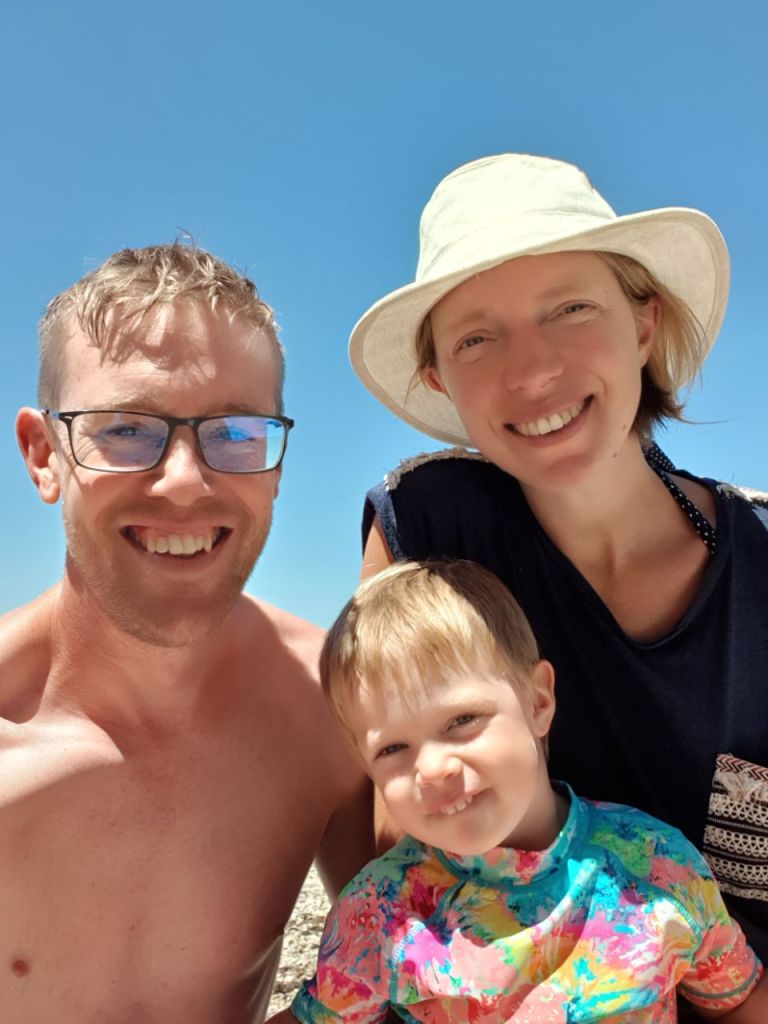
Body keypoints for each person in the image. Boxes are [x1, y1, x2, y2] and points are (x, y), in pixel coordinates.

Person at [349, 154, 768, 969]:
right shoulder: (432, 529)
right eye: (476, 338)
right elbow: (404, 851)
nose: (534, 371)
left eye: (571, 308)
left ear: (643, 325)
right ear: (439, 378)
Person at [0, 243, 373, 1024]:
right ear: (43, 456)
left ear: (275, 467)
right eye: (125, 429)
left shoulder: (333, 709)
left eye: (235, 432)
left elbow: (416, 969)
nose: (184, 480)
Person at [274, 560, 766, 1022]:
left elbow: (736, 1002)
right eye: (392, 748)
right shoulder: (379, 910)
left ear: (537, 702)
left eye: (462, 720)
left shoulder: (657, 865)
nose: (433, 768)